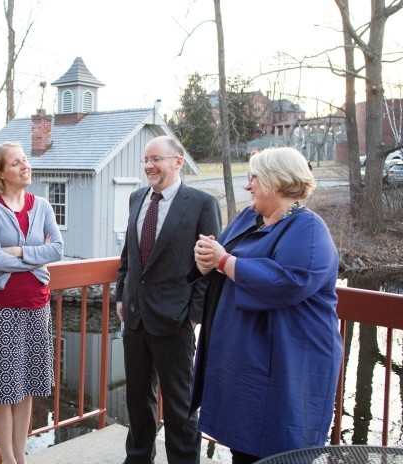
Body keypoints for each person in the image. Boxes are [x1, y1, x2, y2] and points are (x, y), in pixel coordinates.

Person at [191, 147, 342, 463]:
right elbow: (223, 258)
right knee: (242, 446)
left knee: (279, 449)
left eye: (255, 177)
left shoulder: (308, 228)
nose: (249, 185)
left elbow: (288, 281)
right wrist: (208, 261)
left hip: (287, 361)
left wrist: (224, 261)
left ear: (278, 181)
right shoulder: (250, 217)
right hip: (243, 359)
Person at [115, 135, 221, 464]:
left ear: (178, 162)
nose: (149, 166)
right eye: (146, 160)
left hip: (175, 320)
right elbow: (128, 256)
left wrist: (193, 315)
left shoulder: (201, 203)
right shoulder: (136, 198)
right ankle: (138, 459)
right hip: (134, 318)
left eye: (156, 159)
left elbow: (207, 268)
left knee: (180, 407)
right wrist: (121, 295)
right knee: (137, 401)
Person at [0, 142, 64, 464]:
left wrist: (18, 252)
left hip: (36, 305)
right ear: (0, 173)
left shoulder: (43, 206)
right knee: (2, 387)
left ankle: (19, 457)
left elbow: (58, 250)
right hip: (1, 307)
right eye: (16, 163)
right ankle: (6, 458)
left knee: (26, 386)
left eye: (25, 161)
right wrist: (36, 258)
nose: (25, 167)